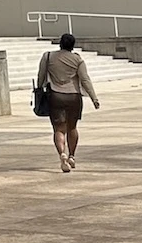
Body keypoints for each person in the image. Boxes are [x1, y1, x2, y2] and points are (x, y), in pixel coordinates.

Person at [37, 33, 100, 172]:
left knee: (59, 129)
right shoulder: (77, 60)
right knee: (72, 127)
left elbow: (41, 76)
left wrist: (39, 89)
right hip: (74, 96)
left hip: (55, 96)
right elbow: (85, 79)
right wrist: (94, 98)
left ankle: (62, 154)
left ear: (60, 43)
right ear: (73, 45)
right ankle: (72, 155)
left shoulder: (48, 57)